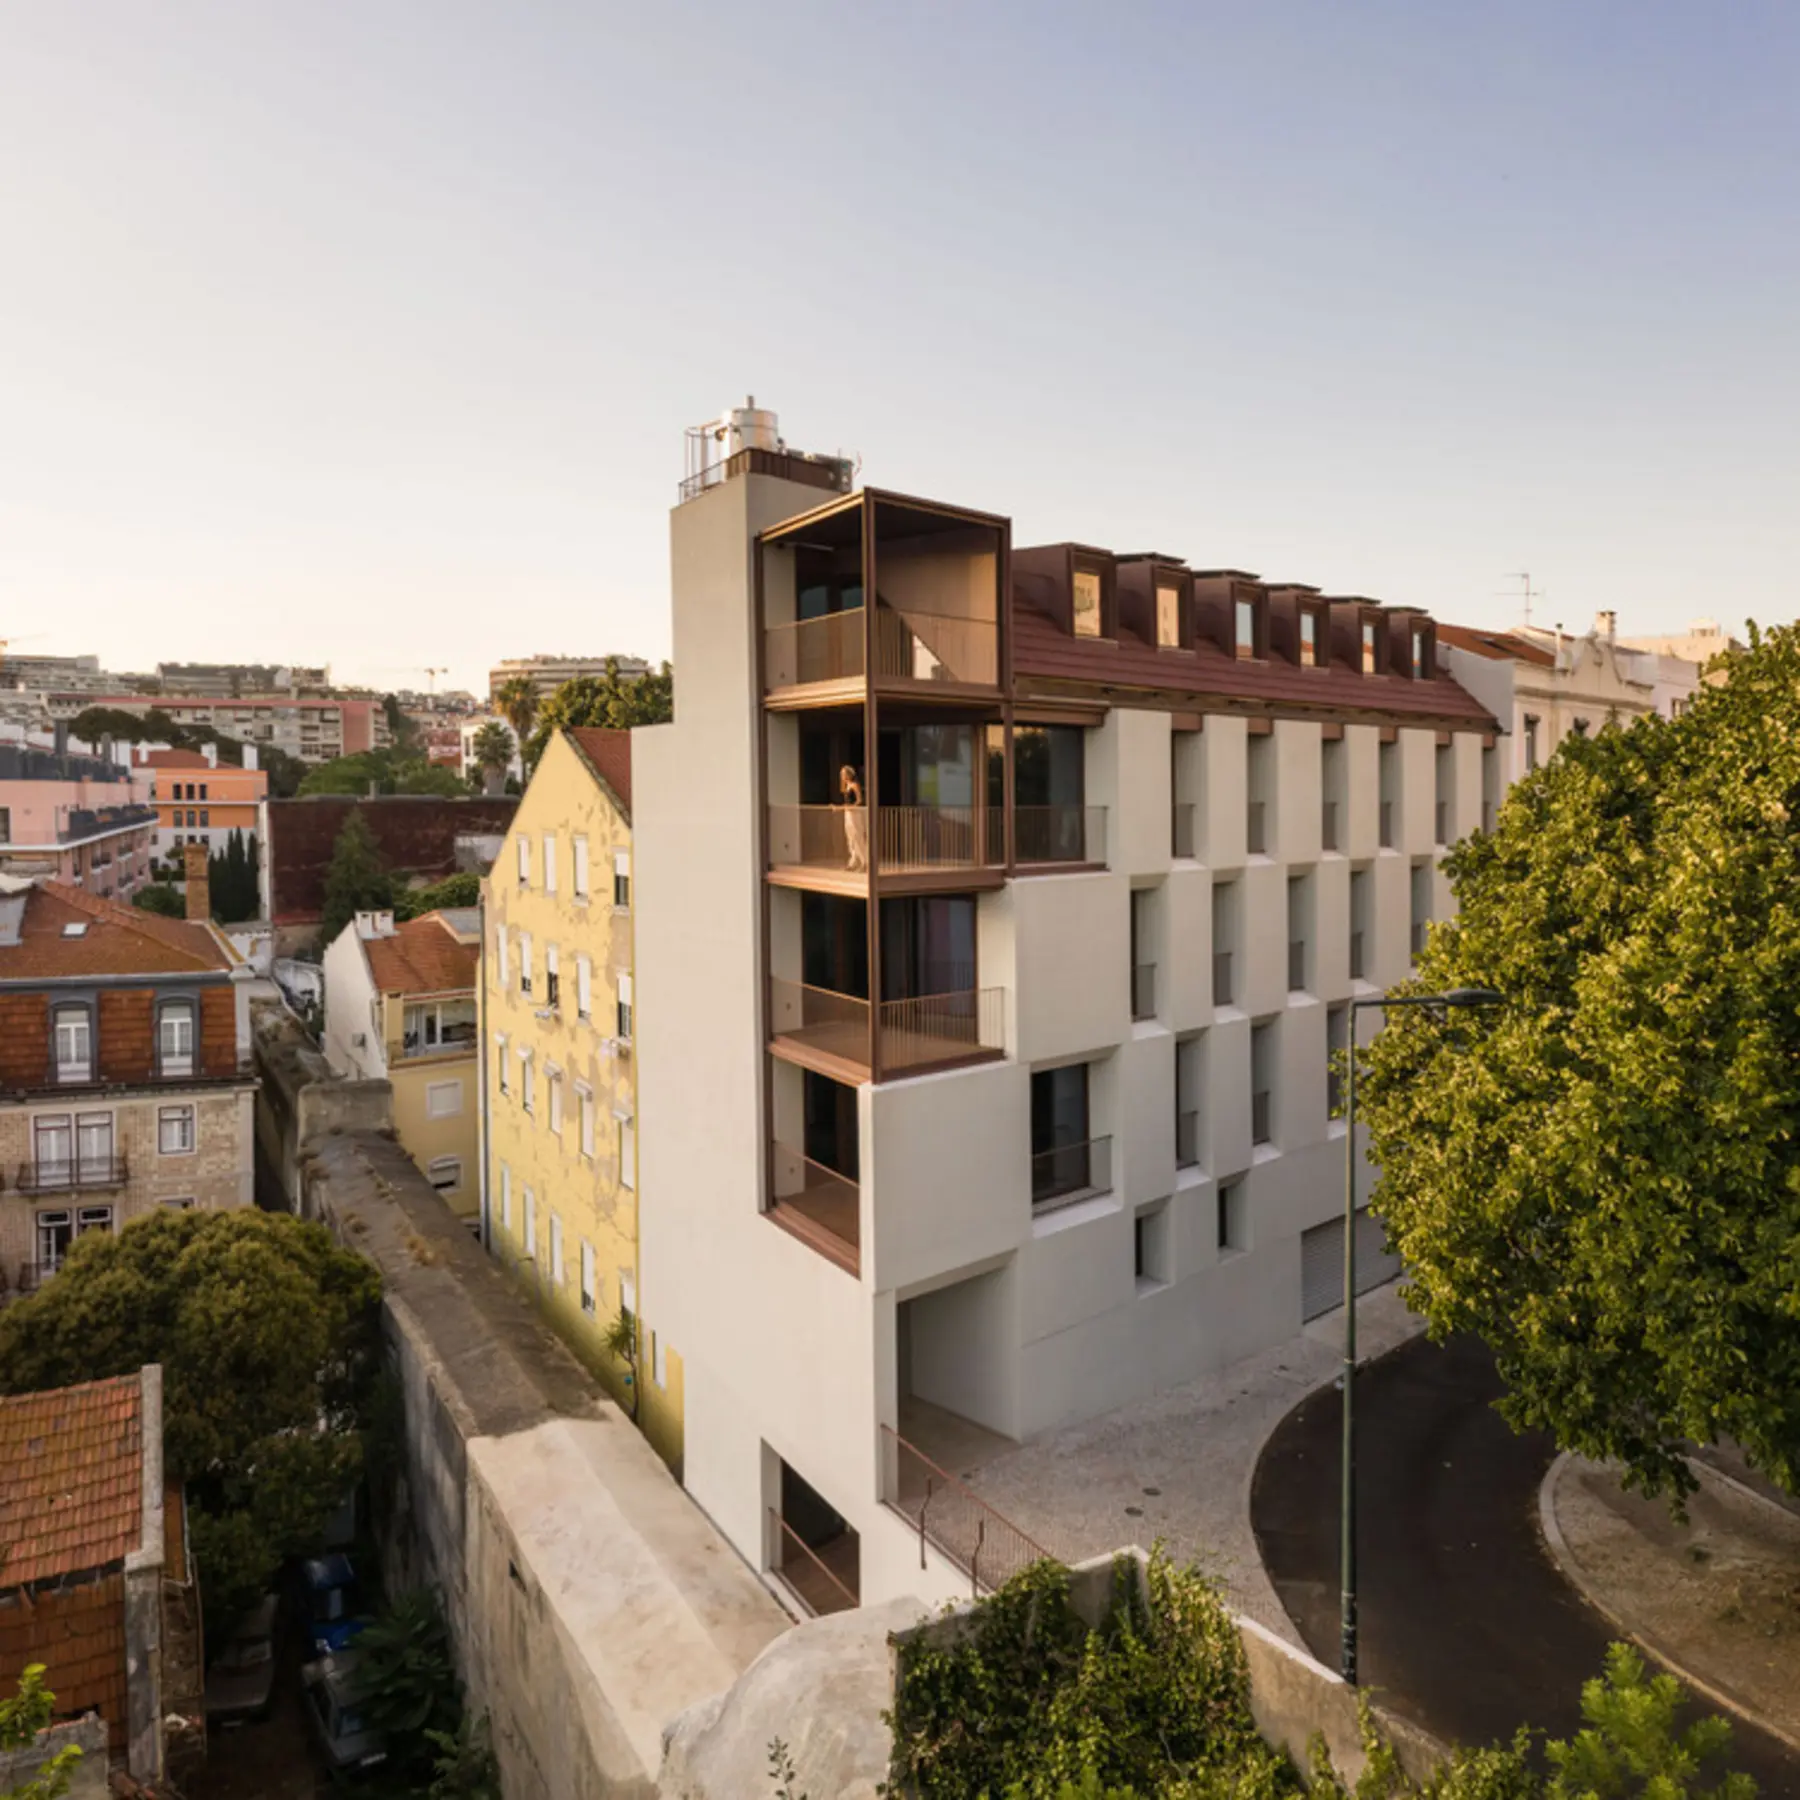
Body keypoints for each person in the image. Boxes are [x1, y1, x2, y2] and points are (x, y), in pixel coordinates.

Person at [840, 765, 868, 871]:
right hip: (848, 813)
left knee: (857, 836)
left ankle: (864, 862)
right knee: (850, 837)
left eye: (844, 773)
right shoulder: (846, 786)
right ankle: (854, 860)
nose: (842, 776)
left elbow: (859, 800)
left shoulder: (854, 785)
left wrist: (851, 807)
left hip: (855, 813)